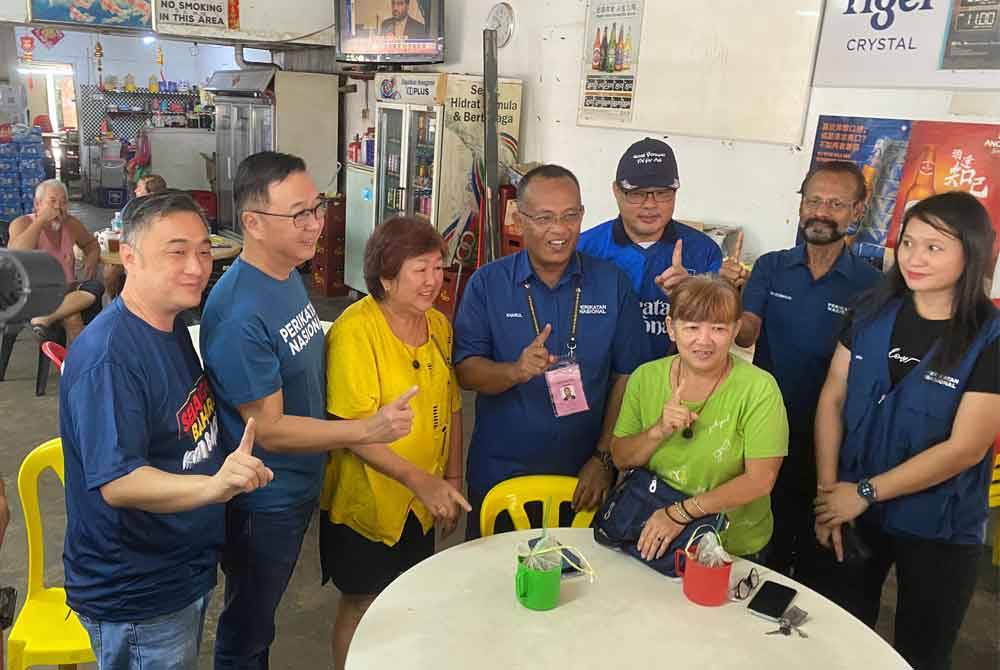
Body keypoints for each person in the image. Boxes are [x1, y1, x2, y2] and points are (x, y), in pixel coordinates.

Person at [201, 152, 417, 669]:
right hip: (265, 501)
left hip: (299, 484)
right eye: (299, 214)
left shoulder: (284, 275)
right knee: (249, 628)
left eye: (317, 207)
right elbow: (270, 429)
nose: (316, 223)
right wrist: (366, 429)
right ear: (253, 223)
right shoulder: (239, 312)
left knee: (261, 617)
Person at [59, 192, 274, 668]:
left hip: (179, 569)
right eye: (177, 252)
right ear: (130, 257)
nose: (196, 267)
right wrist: (214, 487)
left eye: (203, 251)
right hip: (139, 590)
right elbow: (119, 481)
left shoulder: (168, 323)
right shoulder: (110, 358)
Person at [812, 191, 1000, 670]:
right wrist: (829, 494)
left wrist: (865, 492)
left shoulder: (990, 338)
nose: (914, 258)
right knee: (838, 638)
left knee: (921, 652)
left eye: (934, 247)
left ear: (972, 252)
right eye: (909, 242)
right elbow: (833, 396)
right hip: (851, 506)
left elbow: (966, 448)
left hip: (939, 523)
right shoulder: (870, 310)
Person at [454, 164, 647, 538]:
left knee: (578, 570)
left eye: (570, 216)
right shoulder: (488, 284)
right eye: (544, 218)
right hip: (503, 472)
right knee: (493, 570)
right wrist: (515, 371)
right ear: (519, 220)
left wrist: (604, 458)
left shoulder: (612, 284)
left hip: (584, 475)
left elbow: (627, 375)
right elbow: (466, 370)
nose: (559, 230)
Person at [322, 216, 471, 670]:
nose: (433, 280)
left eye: (438, 267)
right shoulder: (356, 331)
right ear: (386, 278)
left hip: (422, 501)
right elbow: (354, 429)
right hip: (369, 502)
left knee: (407, 596)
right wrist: (419, 480)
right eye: (420, 269)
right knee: (363, 603)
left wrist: (451, 479)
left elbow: (452, 405)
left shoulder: (438, 325)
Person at [724, 161, 881, 576]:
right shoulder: (772, 267)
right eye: (813, 201)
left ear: (857, 211)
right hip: (766, 428)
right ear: (800, 206)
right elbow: (745, 335)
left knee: (818, 551)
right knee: (764, 543)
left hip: (833, 441)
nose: (821, 212)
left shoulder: (872, 286)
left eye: (836, 204)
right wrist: (725, 297)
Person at [611, 275, 788, 560]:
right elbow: (621, 458)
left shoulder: (759, 388)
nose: (704, 341)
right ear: (671, 328)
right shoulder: (645, 377)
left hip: (731, 546)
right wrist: (658, 430)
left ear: (735, 330)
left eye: (718, 328)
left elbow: (760, 480)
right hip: (654, 536)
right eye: (691, 327)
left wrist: (679, 513)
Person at [577, 138, 723, 359]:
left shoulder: (704, 252)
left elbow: (718, 332)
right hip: (602, 373)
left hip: (675, 374)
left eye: (662, 193)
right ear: (616, 191)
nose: (650, 204)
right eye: (637, 193)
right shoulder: (585, 248)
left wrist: (690, 294)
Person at [7, 179, 102, 345]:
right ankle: (75, 362)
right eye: (52, 201)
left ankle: (46, 318)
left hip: (66, 290)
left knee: (96, 286)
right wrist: (40, 221)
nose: (58, 207)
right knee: (73, 317)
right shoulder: (22, 223)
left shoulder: (70, 223)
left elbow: (91, 243)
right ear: (37, 204)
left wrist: (91, 259)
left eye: (63, 202)